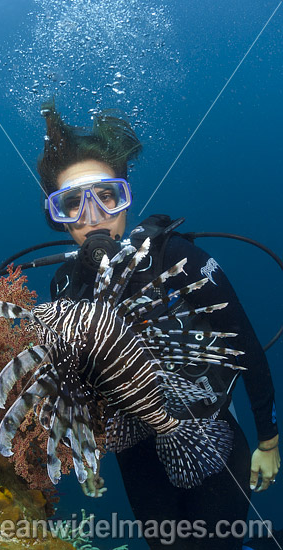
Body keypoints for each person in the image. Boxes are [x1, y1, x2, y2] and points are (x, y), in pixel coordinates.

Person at [36, 99, 280, 549]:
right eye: (72, 203)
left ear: (125, 196)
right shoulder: (65, 282)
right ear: (58, 216)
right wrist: (84, 454)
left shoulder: (175, 257)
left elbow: (243, 342)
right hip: (132, 445)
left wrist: (268, 439)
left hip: (207, 430)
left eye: (106, 195)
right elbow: (72, 379)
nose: (92, 215)